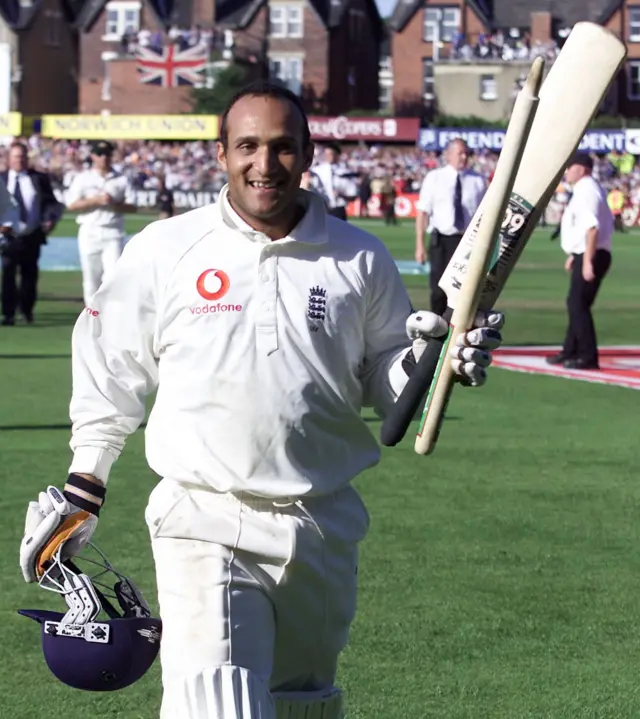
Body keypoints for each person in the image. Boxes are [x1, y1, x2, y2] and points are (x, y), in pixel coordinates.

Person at [19, 82, 505, 719]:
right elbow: (111, 366)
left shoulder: (359, 257)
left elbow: (384, 380)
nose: (264, 163)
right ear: (220, 154)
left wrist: (432, 364)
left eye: (281, 147)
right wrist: (87, 479)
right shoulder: (167, 250)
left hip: (323, 522)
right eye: (247, 145)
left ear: (308, 155)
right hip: (203, 514)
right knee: (215, 703)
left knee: (302, 703)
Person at [546, 152, 613, 370]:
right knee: (576, 304)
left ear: (582, 168)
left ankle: (587, 356)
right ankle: (570, 350)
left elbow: (592, 228)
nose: (566, 172)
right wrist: (574, 255)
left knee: (577, 304)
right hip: (585, 253)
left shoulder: (586, 190)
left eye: (569, 167)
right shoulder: (585, 189)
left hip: (592, 254)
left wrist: (587, 261)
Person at [415, 139, 486, 316]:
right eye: (460, 153)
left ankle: (456, 331)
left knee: (464, 291)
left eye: (466, 153)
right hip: (441, 240)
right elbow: (423, 213)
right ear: (448, 154)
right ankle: (437, 328)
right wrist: (420, 245)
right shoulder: (434, 178)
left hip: (467, 242)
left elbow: (484, 216)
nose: (464, 157)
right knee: (439, 290)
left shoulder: (477, 181)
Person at [65, 140, 137, 306]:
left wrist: (113, 203)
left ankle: (110, 313)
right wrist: (95, 200)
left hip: (113, 232)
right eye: (99, 154)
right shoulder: (83, 178)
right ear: (93, 156)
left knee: (113, 276)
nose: (103, 157)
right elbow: (71, 204)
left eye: (107, 154)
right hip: (89, 231)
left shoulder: (121, 179)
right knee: (91, 278)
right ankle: (92, 317)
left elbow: (133, 207)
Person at [0, 141, 63, 325]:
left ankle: (26, 311)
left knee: (29, 276)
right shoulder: (2, 179)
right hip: (8, 235)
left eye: (23, 156)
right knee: (8, 274)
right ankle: (8, 314)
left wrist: (50, 219)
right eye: (16, 157)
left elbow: (52, 203)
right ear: (9, 159)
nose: (20, 160)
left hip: (31, 233)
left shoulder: (39, 179)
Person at [312, 143, 359, 220]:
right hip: (320, 208)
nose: (327, 156)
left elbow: (353, 195)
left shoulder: (345, 172)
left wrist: (341, 195)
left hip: (338, 209)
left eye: (330, 154)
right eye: (326, 154)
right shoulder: (317, 171)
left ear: (337, 156)